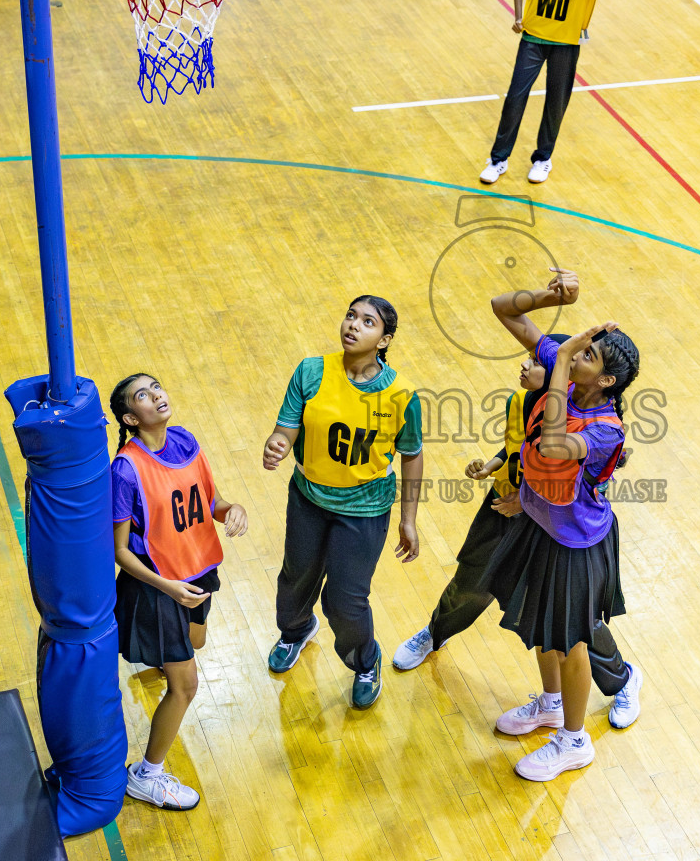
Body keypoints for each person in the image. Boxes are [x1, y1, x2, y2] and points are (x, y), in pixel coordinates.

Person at [391, 335, 642, 731]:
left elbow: (566, 479)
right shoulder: (523, 401)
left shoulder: (581, 417)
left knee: (573, 623)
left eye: (537, 361)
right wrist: (493, 466)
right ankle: (436, 633)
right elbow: (517, 446)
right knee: (472, 580)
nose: (526, 365)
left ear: (560, 375)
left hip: (546, 521)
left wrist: (524, 502)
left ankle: (622, 680)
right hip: (505, 504)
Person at [481, 269, 642, 781]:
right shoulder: (569, 373)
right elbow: (503, 308)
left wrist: (563, 357)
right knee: (543, 628)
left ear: (605, 381)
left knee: (570, 641)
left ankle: (574, 741)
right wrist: (549, 297)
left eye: (586, 356)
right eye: (578, 350)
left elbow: (552, 447)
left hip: (577, 544)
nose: (575, 355)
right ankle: (552, 705)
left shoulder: (605, 430)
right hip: (542, 524)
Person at [263, 295, 425, 709]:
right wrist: (278, 443)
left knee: (344, 601)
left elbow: (412, 454)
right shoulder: (311, 371)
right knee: (295, 580)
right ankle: (296, 631)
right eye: (351, 315)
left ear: (384, 340)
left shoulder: (401, 395)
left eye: (368, 321)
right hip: (309, 498)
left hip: (365, 509)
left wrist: (408, 519)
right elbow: (287, 427)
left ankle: (366, 662)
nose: (353, 324)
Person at [109, 373, 249, 811]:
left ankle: (164, 657)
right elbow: (120, 552)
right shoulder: (125, 470)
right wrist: (167, 587)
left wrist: (232, 509)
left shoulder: (185, 441)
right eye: (143, 395)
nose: (156, 395)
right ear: (131, 418)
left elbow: (211, 502)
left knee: (197, 641)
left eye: (157, 387)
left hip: (197, 568)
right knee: (185, 687)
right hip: (157, 584)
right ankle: (147, 776)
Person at [478, 0, 626, 186]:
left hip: (565, 45)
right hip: (532, 40)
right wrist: (518, 17)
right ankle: (498, 160)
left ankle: (543, 158)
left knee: (555, 103)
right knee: (514, 98)